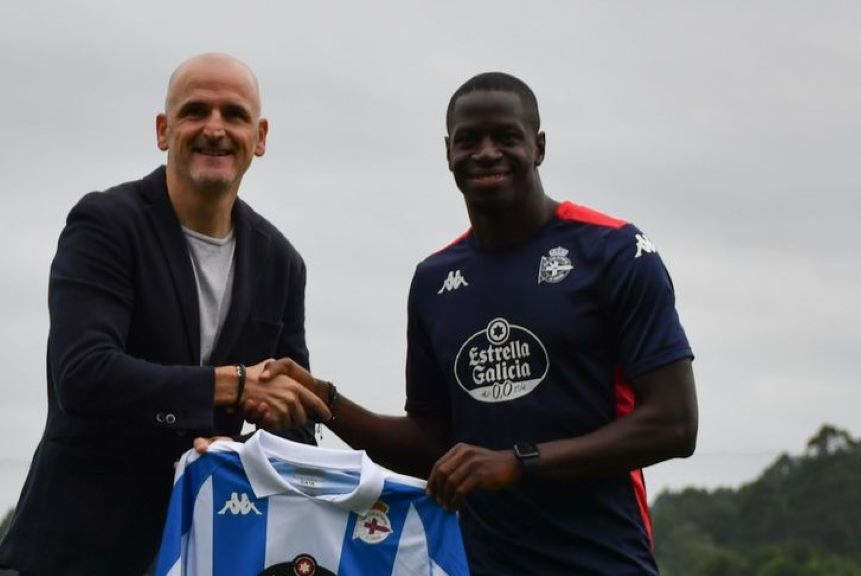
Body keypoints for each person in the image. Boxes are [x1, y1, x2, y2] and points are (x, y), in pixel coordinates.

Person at [257, 72, 698, 575]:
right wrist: (326, 400)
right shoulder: (434, 280)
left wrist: (518, 462)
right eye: (469, 140)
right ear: (448, 153)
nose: (486, 153)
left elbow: (674, 425)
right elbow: (432, 445)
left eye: (506, 137)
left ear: (539, 147)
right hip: (478, 564)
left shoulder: (614, 250)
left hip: (604, 560)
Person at [0, 53, 330, 576]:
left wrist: (238, 450)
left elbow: (296, 425)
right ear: (163, 130)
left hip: (216, 550)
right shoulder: (104, 225)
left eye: (234, 115)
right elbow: (83, 375)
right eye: (196, 111)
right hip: (85, 550)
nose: (215, 129)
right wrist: (233, 386)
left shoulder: (281, 262)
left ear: (259, 138)